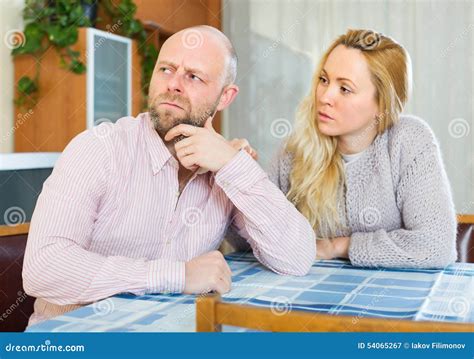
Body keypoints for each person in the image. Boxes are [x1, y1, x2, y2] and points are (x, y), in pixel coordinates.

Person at [23, 25, 315, 325]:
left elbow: (296, 257)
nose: (173, 84)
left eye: (193, 76)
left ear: (225, 96)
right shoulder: (99, 149)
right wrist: (178, 275)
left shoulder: (225, 169)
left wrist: (233, 166)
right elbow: (43, 269)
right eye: (166, 69)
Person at [268, 29, 457, 268]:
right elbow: (253, 239)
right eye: (323, 80)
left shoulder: (408, 140)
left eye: (345, 89)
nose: (325, 96)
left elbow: (435, 247)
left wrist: (340, 246)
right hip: (314, 299)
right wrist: (233, 173)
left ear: (382, 104)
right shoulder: (295, 148)